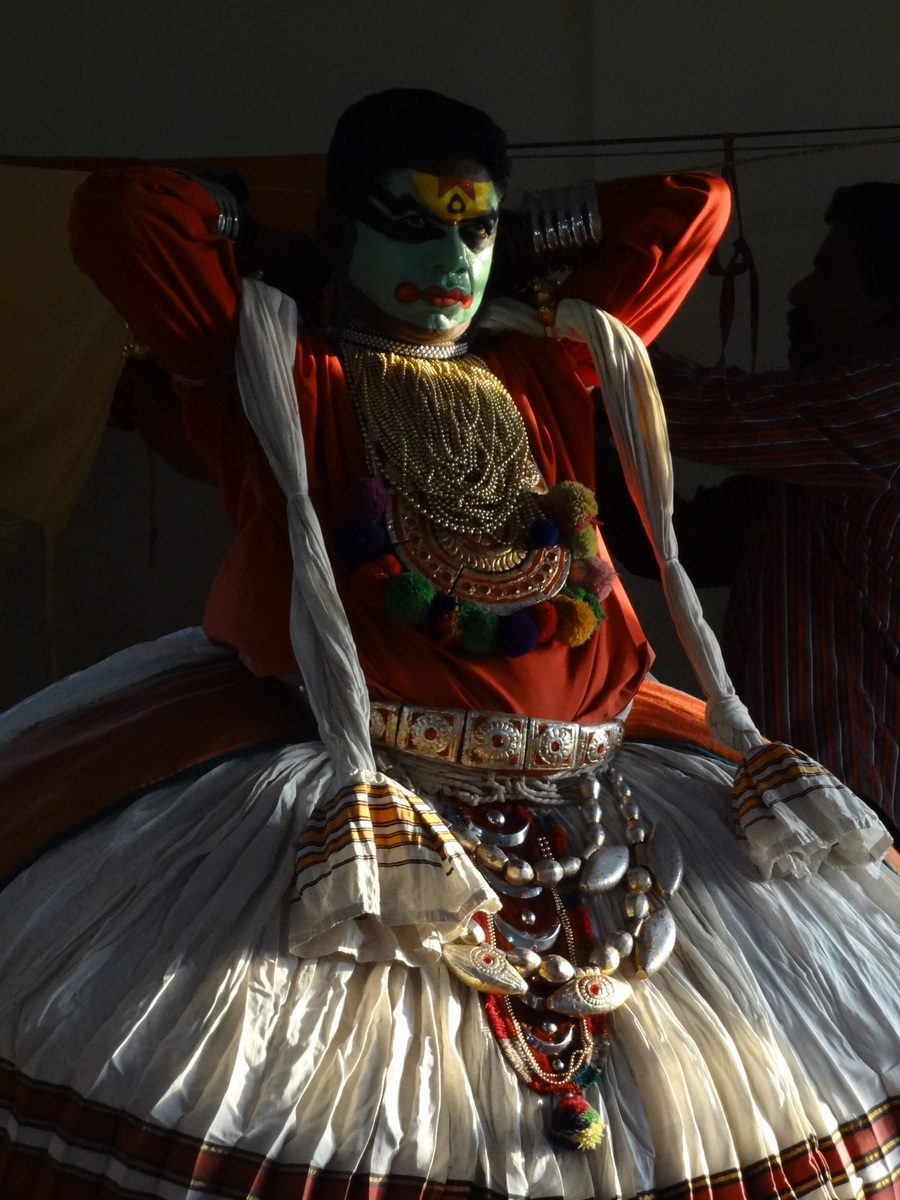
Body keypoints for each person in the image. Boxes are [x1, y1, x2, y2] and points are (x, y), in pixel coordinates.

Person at [0, 89, 898, 1200]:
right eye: (413, 224)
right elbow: (124, 213)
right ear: (338, 235)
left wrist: (530, 240)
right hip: (354, 789)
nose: (453, 258)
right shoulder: (279, 367)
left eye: (474, 227)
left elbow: (694, 206)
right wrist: (268, 233)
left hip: (604, 786)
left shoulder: (547, 363)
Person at [617, 183, 900, 834]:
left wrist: (578, 337)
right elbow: (682, 544)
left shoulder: (883, 409)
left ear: (892, 309)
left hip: (858, 800)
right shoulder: (817, 450)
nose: (799, 294)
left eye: (829, 275)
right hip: (798, 796)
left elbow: (705, 409)